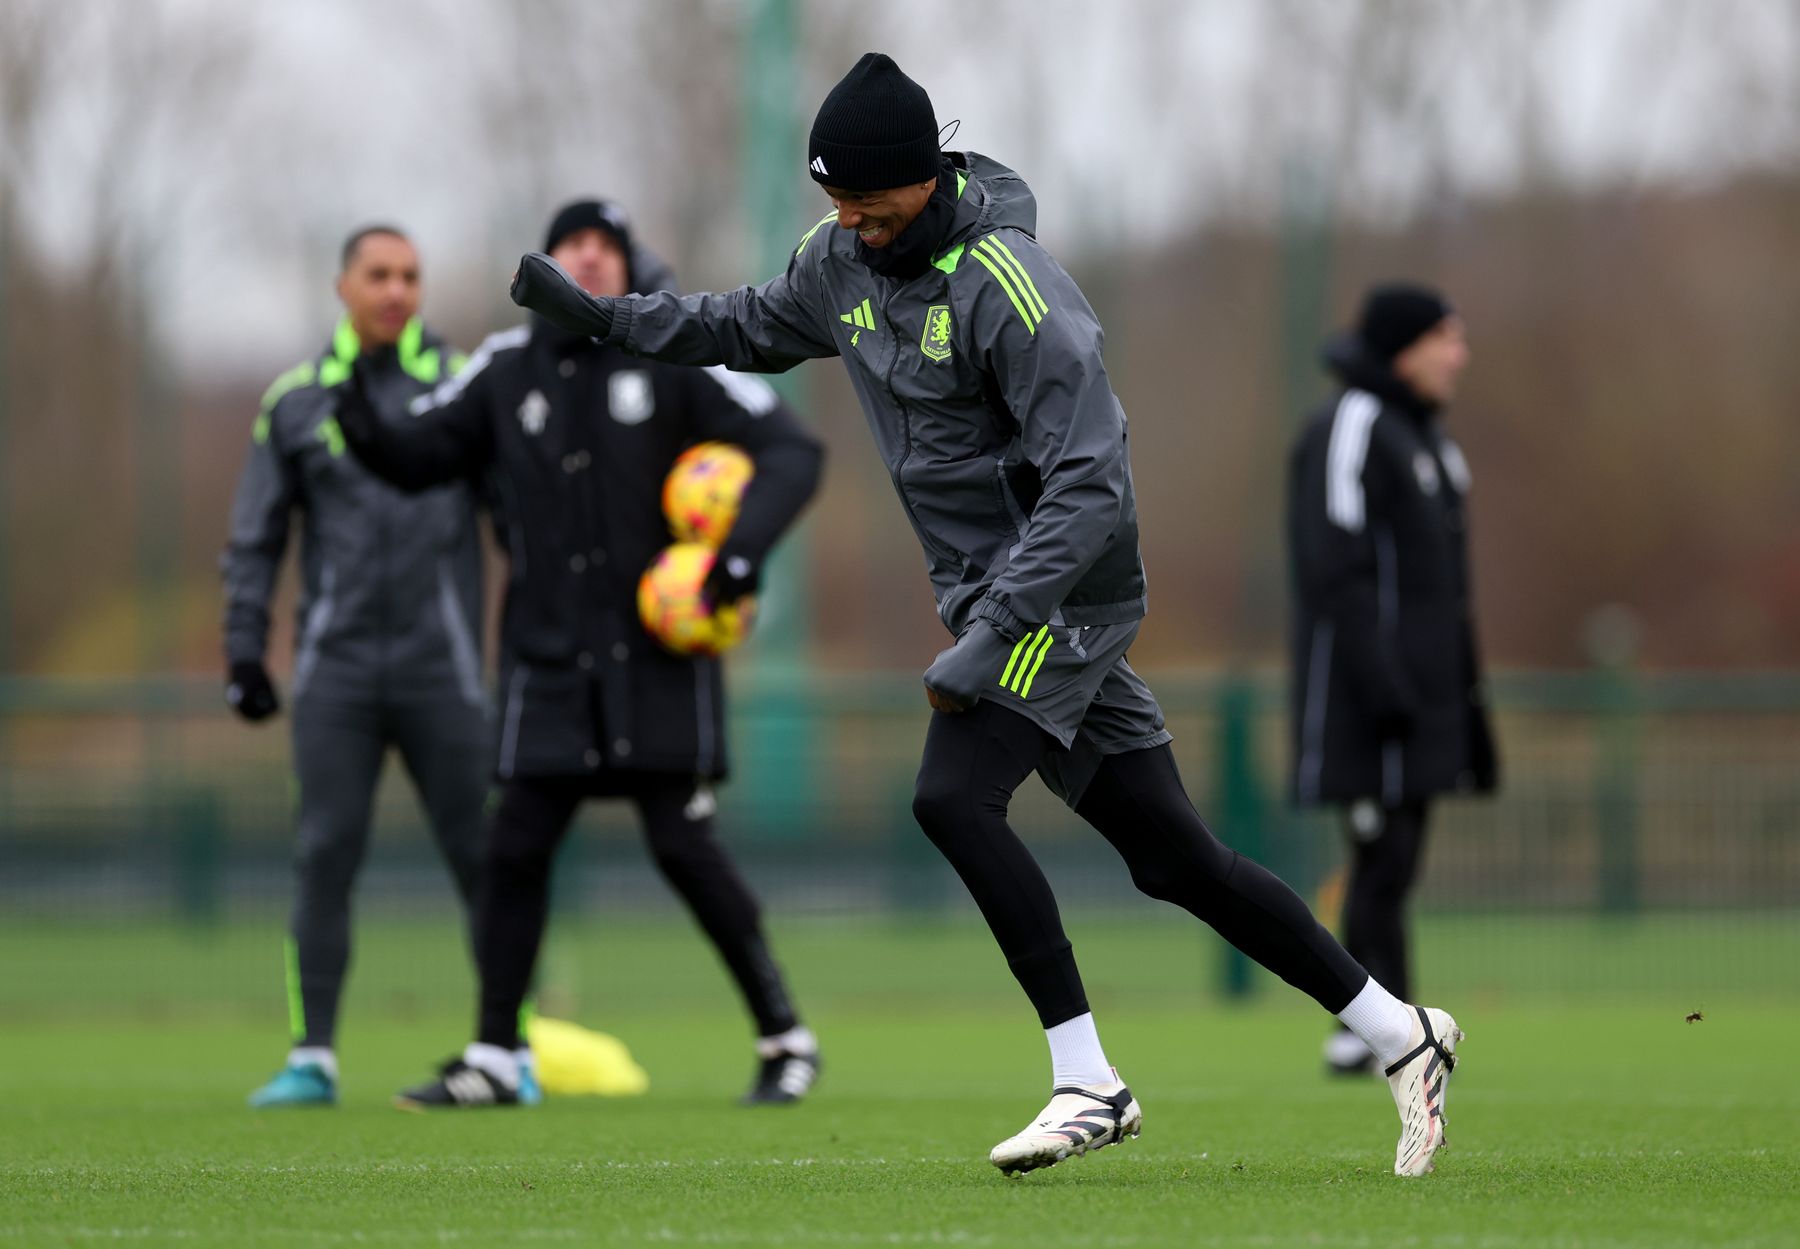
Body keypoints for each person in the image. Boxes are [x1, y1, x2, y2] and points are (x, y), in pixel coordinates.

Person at [508, 53, 1464, 1177]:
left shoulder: (1011, 285)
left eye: (869, 201)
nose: (850, 223)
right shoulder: (840, 261)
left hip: (1065, 592)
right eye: (834, 204)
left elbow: (1093, 486)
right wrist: (609, 320)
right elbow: (745, 324)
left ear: (924, 176)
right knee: (1180, 862)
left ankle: (1087, 1080)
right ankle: (1403, 1033)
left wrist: (996, 630)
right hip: (991, 603)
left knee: (953, 796)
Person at [333, 198, 826, 1109]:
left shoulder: (675, 356)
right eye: (573, 244)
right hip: (548, 665)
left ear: (629, 265)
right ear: (545, 265)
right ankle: (493, 1056)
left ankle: (785, 1036)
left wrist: (737, 557)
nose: (591, 258)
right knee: (514, 847)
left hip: (659, 661)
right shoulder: (503, 367)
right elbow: (408, 454)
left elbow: (794, 451)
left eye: (608, 246)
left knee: (685, 848)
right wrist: (361, 381)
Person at [222, 225, 490, 1108]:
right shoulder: (294, 402)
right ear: (343, 285)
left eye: (411, 275)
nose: (395, 290)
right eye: (378, 274)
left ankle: (504, 1050)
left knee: (485, 856)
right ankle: (313, 1058)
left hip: (441, 669)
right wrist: (243, 644)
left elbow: (523, 520)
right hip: (335, 673)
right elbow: (255, 539)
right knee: (324, 852)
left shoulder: (462, 389)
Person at [1286, 283, 1498, 1076]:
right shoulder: (1352, 424)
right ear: (1406, 346)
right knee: (1377, 862)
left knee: (1395, 861)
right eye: (1448, 336)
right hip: (1367, 701)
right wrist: (1381, 685)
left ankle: (1375, 1024)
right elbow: (1332, 567)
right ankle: (1383, 1026)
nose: (1460, 354)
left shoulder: (1431, 441)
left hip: (1427, 702)